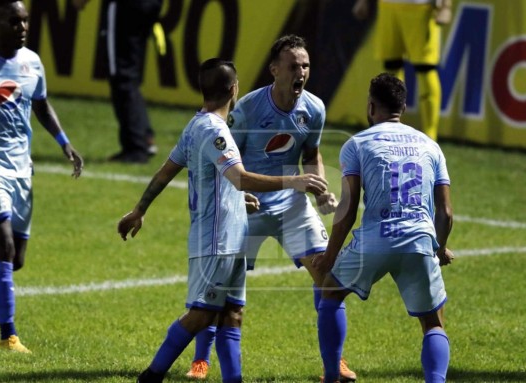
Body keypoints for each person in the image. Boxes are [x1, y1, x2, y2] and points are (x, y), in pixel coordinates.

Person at [117, 58, 328, 383]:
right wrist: (293, 181)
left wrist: (139, 209)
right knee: (202, 314)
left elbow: (167, 172)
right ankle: (152, 375)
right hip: (215, 240)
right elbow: (240, 177)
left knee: (232, 315)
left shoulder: (195, 126)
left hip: (232, 238)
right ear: (233, 89)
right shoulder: (216, 132)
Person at [186, 34, 356, 383]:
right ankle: (200, 360)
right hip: (246, 206)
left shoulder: (315, 108)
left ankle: (334, 364)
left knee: (329, 278)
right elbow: (224, 161)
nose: (302, 72)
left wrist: (320, 190)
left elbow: (311, 155)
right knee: (218, 289)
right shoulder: (247, 108)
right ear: (274, 70)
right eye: (294, 66)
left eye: (306, 65)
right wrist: (234, 196)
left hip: (291, 203)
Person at [0, 0, 83, 352]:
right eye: (14, 21)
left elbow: (40, 102)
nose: (23, 27)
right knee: (4, 247)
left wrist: (64, 142)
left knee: (15, 258)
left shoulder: (32, 62)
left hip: (22, 169)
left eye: (25, 21)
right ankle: (7, 336)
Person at [312, 73, 454, 383]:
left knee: (331, 292)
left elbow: (347, 208)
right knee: (433, 323)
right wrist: (439, 248)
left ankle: (332, 375)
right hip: (419, 240)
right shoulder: (431, 146)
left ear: (371, 105)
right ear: (403, 106)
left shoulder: (357, 144)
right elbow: (445, 212)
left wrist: (330, 254)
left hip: (376, 238)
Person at [72, 0, 164, 164]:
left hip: (125, 6)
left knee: (121, 73)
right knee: (131, 71)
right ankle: (144, 136)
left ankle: (136, 147)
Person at [353, 0, 453, 141]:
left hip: (421, 7)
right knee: (391, 68)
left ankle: (430, 134)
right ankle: (391, 128)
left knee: (425, 68)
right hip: (388, 6)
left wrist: (446, 6)